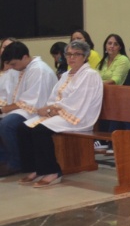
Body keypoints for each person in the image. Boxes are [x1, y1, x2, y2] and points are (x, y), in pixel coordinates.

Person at [16, 39, 103, 187]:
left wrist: (53, 109)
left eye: (76, 54)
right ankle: (37, 169)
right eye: (68, 54)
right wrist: (48, 107)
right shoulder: (66, 74)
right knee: (22, 128)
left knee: (39, 131)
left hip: (78, 116)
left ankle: (52, 172)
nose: (71, 58)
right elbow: (54, 96)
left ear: (85, 56)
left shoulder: (89, 75)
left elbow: (79, 101)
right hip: (62, 113)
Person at [0, 42, 58, 176]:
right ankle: (4, 160)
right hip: (22, 108)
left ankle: (17, 163)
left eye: (14, 64)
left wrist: (3, 110)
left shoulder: (39, 70)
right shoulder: (22, 69)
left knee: (7, 125)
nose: (12, 68)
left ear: (25, 57)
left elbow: (31, 102)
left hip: (37, 110)